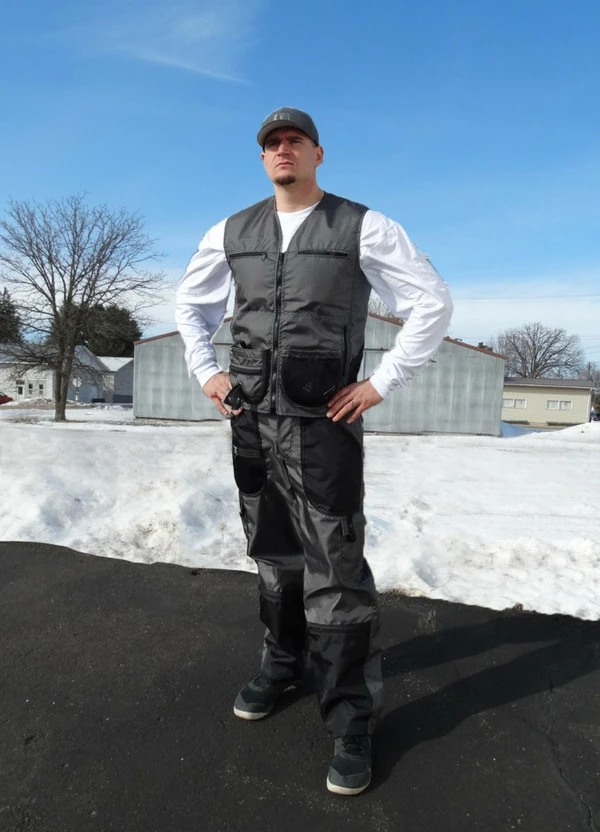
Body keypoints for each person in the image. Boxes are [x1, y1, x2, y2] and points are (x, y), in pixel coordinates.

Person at [176, 107, 453, 796]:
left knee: (336, 568)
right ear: (262, 158)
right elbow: (191, 306)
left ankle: (350, 717)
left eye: (294, 140)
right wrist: (206, 370)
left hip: (322, 424)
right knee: (272, 553)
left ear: (317, 154)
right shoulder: (229, 232)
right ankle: (282, 661)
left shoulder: (363, 226)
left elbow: (431, 302)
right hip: (250, 420)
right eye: (272, 143)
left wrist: (381, 382)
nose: (283, 150)